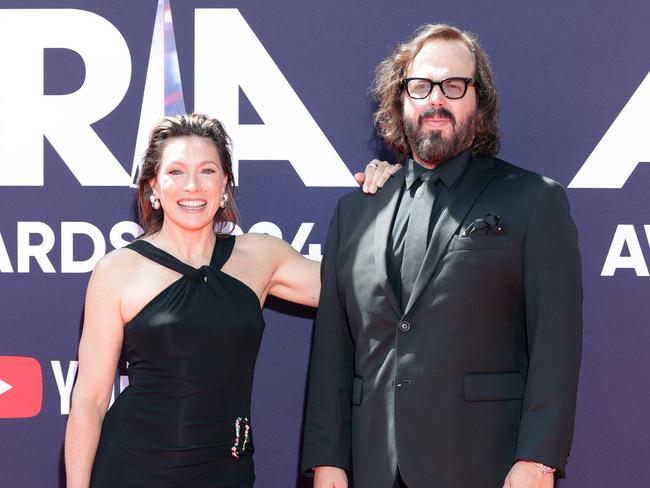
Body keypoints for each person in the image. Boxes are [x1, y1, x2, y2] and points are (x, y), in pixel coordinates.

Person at [302, 24, 583, 488]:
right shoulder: (355, 209)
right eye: (420, 85)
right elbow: (334, 347)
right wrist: (327, 458)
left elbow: (557, 342)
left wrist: (538, 458)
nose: (436, 99)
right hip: (373, 466)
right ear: (400, 99)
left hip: (484, 465)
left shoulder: (534, 200)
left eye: (455, 86)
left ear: (480, 100)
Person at [64, 112, 399, 488]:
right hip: (131, 468)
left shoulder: (259, 256)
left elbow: (356, 284)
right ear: (154, 188)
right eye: (175, 172)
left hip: (225, 469)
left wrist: (396, 193)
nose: (192, 185)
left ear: (225, 184)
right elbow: (89, 401)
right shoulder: (117, 270)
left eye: (207, 171)